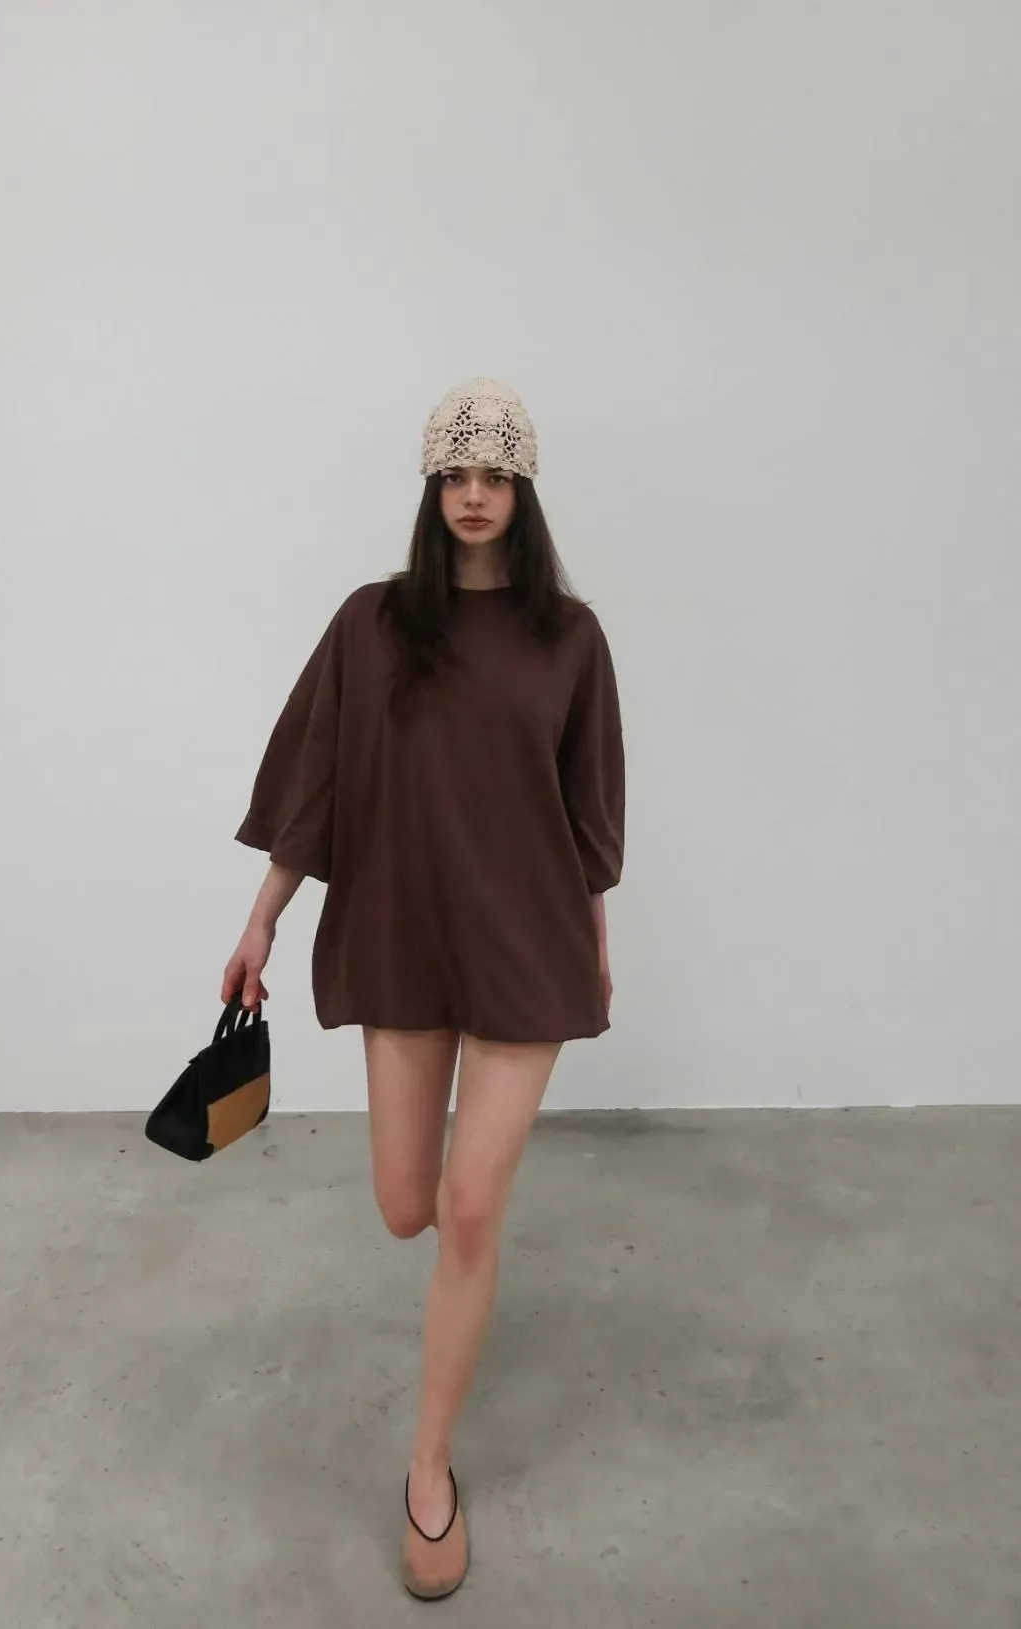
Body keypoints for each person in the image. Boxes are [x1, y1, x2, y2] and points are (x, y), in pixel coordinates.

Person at [222, 377, 625, 1599]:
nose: (474, 494)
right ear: (431, 486)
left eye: (495, 475)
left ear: (524, 490)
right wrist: (262, 919)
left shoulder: (571, 637)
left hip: (528, 942)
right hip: (404, 933)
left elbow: (587, 812)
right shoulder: (374, 623)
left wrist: (594, 940)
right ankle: (457, 1282)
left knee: (469, 1207)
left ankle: (429, 1468)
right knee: (407, 1206)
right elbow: (316, 782)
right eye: (456, 474)